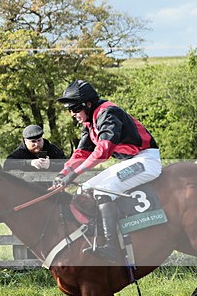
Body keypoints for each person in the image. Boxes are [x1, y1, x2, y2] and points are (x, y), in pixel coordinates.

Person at [52, 79, 161, 262]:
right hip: (129, 161)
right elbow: (81, 153)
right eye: (69, 110)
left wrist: (74, 174)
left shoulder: (108, 113)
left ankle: (111, 246)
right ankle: (97, 238)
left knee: (102, 190)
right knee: (83, 189)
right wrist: (63, 173)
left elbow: (104, 150)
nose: (72, 114)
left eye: (75, 108)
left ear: (87, 104)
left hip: (145, 159)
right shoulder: (90, 123)